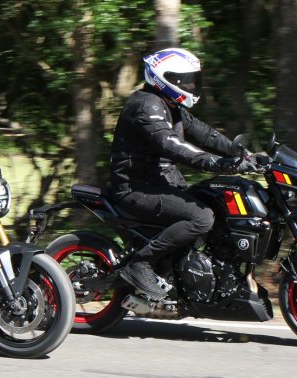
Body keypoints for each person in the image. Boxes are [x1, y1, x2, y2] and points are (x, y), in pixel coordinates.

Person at [109, 47, 257, 299]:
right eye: (184, 80)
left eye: (192, 79)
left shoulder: (171, 106)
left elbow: (205, 134)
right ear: (163, 78)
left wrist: (244, 155)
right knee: (201, 217)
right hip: (136, 188)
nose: (190, 85)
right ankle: (140, 264)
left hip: (161, 184)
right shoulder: (145, 105)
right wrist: (216, 163)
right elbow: (170, 144)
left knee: (219, 207)